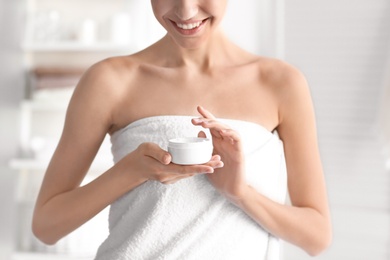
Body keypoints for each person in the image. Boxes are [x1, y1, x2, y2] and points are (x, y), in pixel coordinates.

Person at [32, 0, 332, 259]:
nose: (186, 11)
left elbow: (316, 237)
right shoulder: (109, 81)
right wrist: (132, 171)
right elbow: (47, 225)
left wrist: (240, 193)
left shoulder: (281, 83)